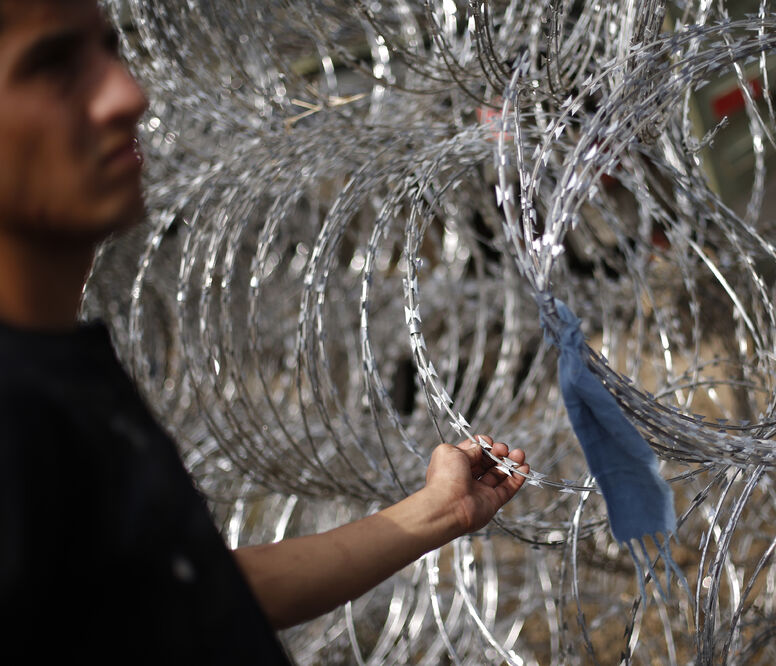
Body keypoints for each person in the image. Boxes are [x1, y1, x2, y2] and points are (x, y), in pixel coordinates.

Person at [0, 1, 529, 662]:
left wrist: (438, 513)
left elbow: (180, 590)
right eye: (51, 67)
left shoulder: (56, 370)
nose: (126, 94)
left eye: (109, 50)